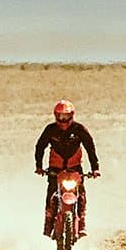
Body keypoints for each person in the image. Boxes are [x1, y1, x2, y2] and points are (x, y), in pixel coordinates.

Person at [34, 100, 100, 237]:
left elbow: (90, 148)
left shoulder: (79, 129)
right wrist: (39, 166)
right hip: (55, 170)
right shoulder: (50, 130)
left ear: (72, 115)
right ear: (55, 116)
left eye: (66, 116)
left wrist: (95, 168)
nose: (63, 119)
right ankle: (48, 224)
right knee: (51, 195)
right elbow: (40, 146)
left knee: (81, 195)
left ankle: (82, 224)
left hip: (74, 169)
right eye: (60, 116)